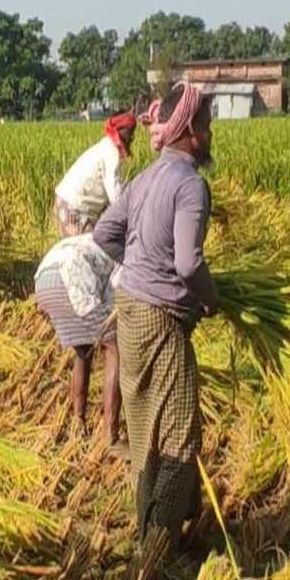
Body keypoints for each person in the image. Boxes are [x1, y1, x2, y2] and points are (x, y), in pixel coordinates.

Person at [93, 82, 221, 548]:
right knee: (180, 440)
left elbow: (105, 233)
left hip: (129, 309)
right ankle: (156, 555)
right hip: (162, 318)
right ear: (187, 129)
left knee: (146, 430)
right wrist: (210, 298)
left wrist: (138, 266)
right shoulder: (190, 186)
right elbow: (188, 264)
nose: (209, 134)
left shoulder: (144, 179)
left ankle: (152, 529)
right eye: (205, 125)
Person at [35, 233, 123, 444]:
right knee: (114, 347)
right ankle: (111, 437)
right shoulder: (126, 252)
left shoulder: (101, 235)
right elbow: (119, 290)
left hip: (44, 279)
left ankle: (78, 421)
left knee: (83, 348)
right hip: (72, 274)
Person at [55, 111, 137, 235]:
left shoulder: (105, 146)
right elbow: (115, 196)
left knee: (71, 247)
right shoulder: (111, 152)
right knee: (92, 247)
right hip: (74, 208)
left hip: (64, 202)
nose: (131, 138)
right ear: (121, 130)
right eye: (130, 132)